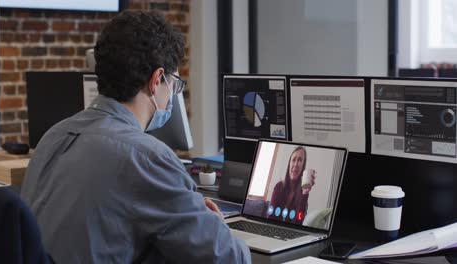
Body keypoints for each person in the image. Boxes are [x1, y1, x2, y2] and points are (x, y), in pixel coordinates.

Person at [21, 11, 250, 264]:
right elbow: (230, 258)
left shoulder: (54, 135)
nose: (172, 93)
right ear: (156, 81)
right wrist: (214, 225)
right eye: (173, 83)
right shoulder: (146, 157)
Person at [267, 147, 316, 224]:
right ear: (289, 164)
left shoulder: (302, 194)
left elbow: (299, 221)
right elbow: (270, 217)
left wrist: (305, 193)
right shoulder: (278, 187)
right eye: (293, 160)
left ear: (303, 166)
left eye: (300, 160)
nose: (296, 164)